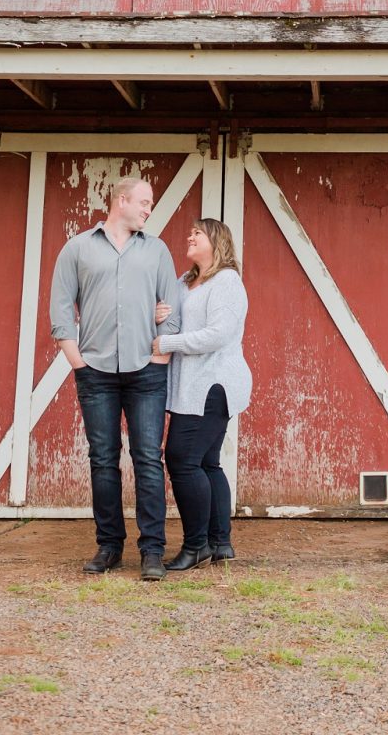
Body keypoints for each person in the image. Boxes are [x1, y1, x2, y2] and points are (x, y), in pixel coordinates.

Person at [49, 176, 179, 581]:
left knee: (148, 460)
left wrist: (160, 353)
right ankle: (109, 547)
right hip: (96, 372)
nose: (148, 209)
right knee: (103, 460)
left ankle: (152, 550)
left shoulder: (157, 250)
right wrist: (77, 361)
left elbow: (171, 308)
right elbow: (59, 309)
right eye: (144, 202)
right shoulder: (77, 248)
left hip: (146, 371)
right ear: (120, 200)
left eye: (151, 204)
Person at [153, 218, 252, 570]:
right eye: (190, 230)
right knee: (207, 462)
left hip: (212, 385)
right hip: (191, 384)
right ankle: (220, 542)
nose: (189, 235)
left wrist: (167, 342)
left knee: (182, 461)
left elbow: (218, 335)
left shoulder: (226, 282)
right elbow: (175, 318)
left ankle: (197, 546)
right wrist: (160, 316)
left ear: (217, 241)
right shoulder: (187, 281)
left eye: (198, 232)